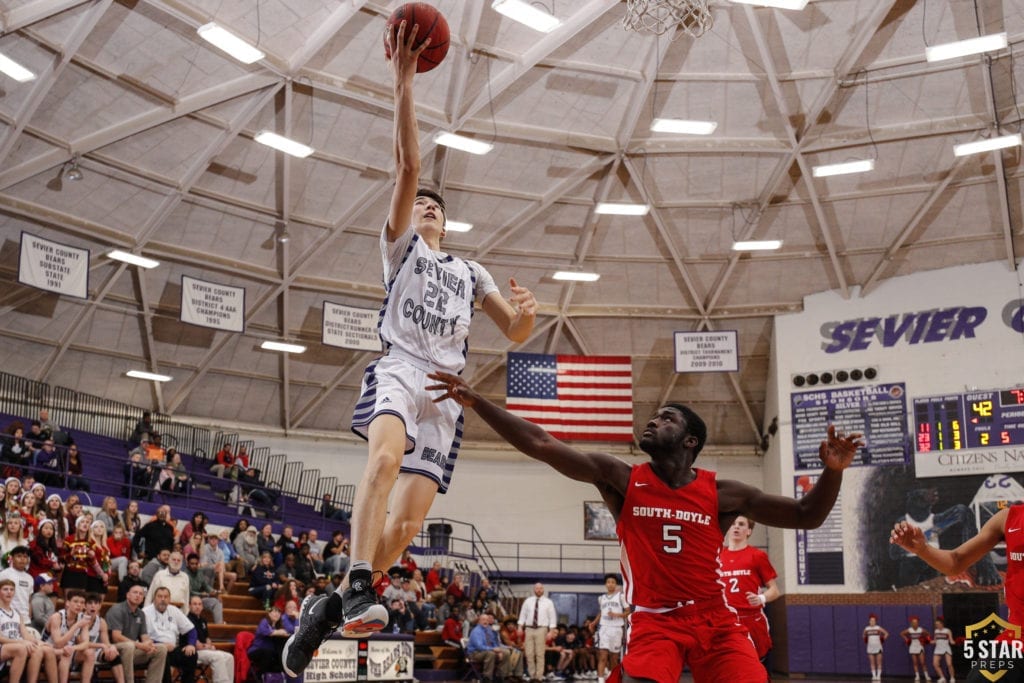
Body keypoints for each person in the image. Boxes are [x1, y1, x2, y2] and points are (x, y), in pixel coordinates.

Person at [281, 17, 538, 677]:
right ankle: (358, 581)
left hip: (447, 394)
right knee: (382, 460)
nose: (424, 205)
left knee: (402, 530)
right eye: (418, 203)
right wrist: (402, 81)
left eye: (434, 207)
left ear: (447, 223)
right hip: (401, 368)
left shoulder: (469, 270)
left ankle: (331, 603)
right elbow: (409, 164)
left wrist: (529, 318)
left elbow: (513, 332)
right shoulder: (399, 253)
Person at [427, 372, 863, 683]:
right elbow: (543, 444)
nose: (653, 421)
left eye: (667, 418)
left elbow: (807, 516)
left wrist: (834, 472)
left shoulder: (724, 493)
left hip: (715, 618)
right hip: (656, 620)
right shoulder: (622, 478)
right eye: (653, 417)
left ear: (690, 441)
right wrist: (477, 402)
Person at [719, 514, 780, 668]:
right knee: (728, 668)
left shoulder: (757, 556)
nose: (736, 527)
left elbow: (774, 590)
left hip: (751, 620)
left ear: (749, 531)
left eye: (741, 524)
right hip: (726, 621)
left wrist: (761, 598)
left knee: (755, 667)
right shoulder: (718, 556)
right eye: (733, 524)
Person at [106, 584, 168, 683]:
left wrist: (149, 645)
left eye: (141, 594)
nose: (138, 595)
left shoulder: (141, 614)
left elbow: (145, 637)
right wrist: (139, 645)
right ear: (128, 595)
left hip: (132, 649)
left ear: (143, 599)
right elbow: (116, 637)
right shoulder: (117, 609)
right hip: (113, 650)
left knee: (161, 649)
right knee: (129, 646)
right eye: (135, 592)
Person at [144, 586, 197, 683]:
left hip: (173, 649)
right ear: (154, 598)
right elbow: (142, 637)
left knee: (191, 654)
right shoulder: (145, 612)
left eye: (166, 597)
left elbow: (191, 629)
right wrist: (162, 645)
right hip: (155, 649)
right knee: (163, 655)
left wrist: (191, 644)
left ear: (169, 599)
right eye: (160, 596)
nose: (163, 599)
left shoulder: (174, 610)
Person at [186, 595, 233, 683]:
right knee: (218, 657)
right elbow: (197, 644)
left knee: (229, 657)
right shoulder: (187, 620)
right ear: (189, 606)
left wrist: (209, 645)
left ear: (202, 607)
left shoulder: (203, 620)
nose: (197, 606)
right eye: (194, 604)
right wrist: (208, 647)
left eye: (199, 604)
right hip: (194, 652)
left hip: (205, 650)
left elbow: (207, 638)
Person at [82, 592, 127, 683]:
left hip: (94, 650)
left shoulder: (101, 622)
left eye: (96, 604)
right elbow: (82, 643)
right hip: (79, 651)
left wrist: (111, 647)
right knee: (89, 652)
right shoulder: (80, 619)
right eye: (90, 603)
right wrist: (102, 646)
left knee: (114, 655)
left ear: (100, 606)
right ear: (85, 606)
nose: (93, 606)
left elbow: (106, 642)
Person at [595, 574, 629, 683]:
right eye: (608, 582)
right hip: (604, 628)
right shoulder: (601, 598)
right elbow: (601, 612)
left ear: (616, 584)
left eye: (613, 582)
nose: (610, 584)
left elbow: (628, 611)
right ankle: (600, 679)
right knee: (603, 656)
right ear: (605, 584)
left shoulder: (621, 596)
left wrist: (617, 615)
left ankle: (612, 678)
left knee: (614, 658)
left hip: (616, 628)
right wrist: (594, 622)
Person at [466, 613, 511, 683]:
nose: (485, 621)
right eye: (483, 620)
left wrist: (498, 651)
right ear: (479, 621)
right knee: (491, 654)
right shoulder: (476, 631)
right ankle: (487, 677)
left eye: (487, 620)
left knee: (506, 652)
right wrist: (493, 650)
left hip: (487, 651)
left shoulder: (489, 630)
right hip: (475, 653)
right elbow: (479, 647)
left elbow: (494, 643)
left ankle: (501, 676)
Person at [0, 545, 35, 622]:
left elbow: (29, 600)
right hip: (7, 618)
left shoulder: (30, 578)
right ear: (12, 558)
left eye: (25, 557)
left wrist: (29, 616)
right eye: (19, 556)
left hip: (25, 619)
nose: (22, 559)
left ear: (28, 560)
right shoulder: (4, 574)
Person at [901, 616, 932, 682]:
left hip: (920, 647)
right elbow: (902, 633)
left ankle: (927, 676)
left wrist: (925, 640)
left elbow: (928, 634)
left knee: (923, 662)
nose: (915, 624)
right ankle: (917, 676)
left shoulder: (921, 629)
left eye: (916, 622)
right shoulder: (909, 630)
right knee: (915, 663)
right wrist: (906, 639)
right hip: (912, 647)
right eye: (913, 622)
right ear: (911, 623)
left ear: (918, 623)